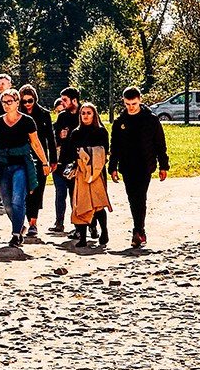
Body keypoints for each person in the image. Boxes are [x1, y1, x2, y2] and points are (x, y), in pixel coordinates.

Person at [0, 89, 51, 248]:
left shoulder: (27, 121)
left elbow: (36, 143)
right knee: (7, 202)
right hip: (3, 165)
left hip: (21, 164)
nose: (6, 105)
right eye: (4, 102)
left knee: (18, 199)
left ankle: (16, 234)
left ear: (17, 103)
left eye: (9, 101)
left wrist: (45, 162)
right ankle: (19, 226)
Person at [109, 86, 168, 249]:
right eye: (127, 104)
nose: (131, 107)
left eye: (133, 103)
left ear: (140, 100)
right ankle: (139, 229)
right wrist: (112, 167)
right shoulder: (120, 122)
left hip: (145, 165)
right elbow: (115, 146)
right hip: (127, 166)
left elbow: (160, 144)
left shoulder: (151, 119)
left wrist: (164, 165)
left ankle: (138, 230)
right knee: (132, 198)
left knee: (140, 197)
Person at [69, 103, 111, 248]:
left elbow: (105, 150)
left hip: (97, 172)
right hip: (81, 172)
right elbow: (71, 151)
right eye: (83, 113)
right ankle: (83, 237)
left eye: (89, 113)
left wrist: (88, 154)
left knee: (98, 204)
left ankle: (104, 230)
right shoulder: (76, 133)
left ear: (94, 115)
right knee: (81, 204)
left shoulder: (101, 132)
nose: (86, 116)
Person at [19, 84, 55, 241]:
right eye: (24, 101)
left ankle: (34, 222)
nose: (27, 103)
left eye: (30, 100)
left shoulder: (44, 114)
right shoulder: (17, 115)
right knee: (25, 190)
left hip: (40, 158)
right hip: (22, 156)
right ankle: (25, 221)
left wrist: (52, 160)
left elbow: (50, 139)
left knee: (38, 189)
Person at [49, 87, 82, 234]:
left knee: (76, 195)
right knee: (60, 192)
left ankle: (79, 226)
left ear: (74, 100)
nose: (62, 103)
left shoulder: (85, 114)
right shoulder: (62, 116)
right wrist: (60, 137)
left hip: (78, 162)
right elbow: (54, 139)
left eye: (65, 100)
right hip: (62, 161)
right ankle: (59, 222)